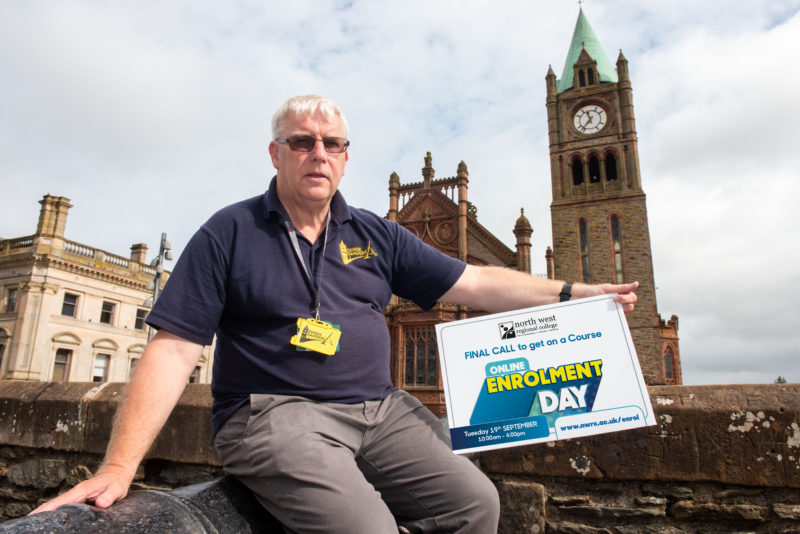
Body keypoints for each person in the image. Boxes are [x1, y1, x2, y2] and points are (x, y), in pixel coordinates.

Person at [33, 95, 637, 533]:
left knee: (475, 505)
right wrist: (118, 466)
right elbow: (173, 348)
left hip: (379, 408)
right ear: (277, 154)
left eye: (332, 144)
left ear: (346, 159)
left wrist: (571, 294)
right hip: (273, 413)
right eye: (302, 142)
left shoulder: (376, 232)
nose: (318, 153)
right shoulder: (230, 231)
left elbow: (475, 280)